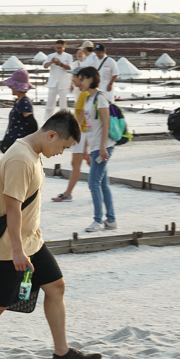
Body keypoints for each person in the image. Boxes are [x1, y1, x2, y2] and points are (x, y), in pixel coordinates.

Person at [0, 111, 101, 359]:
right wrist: (18, 251)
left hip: (30, 241)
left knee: (56, 286)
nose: (61, 152)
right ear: (51, 135)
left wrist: (28, 243)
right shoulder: (22, 158)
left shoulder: (31, 151)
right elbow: (12, 207)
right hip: (8, 248)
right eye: (63, 146)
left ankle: (62, 352)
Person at [78, 67, 117, 232]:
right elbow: (89, 126)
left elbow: (106, 123)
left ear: (91, 79)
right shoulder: (88, 99)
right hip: (94, 146)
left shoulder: (101, 98)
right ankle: (111, 221)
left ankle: (97, 221)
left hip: (103, 146)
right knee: (103, 184)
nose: (80, 83)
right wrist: (86, 147)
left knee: (93, 182)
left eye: (82, 79)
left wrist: (102, 147)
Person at [52, 72, 89, 202]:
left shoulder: (84, 94)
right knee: (83, 162)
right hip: (84, 132)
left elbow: (81, 117)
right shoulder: (83, 93)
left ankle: (68, 193)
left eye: (74, 77)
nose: (72, 80)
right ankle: (100, 186)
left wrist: (74, 135)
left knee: (77, 163)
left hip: (83, 132)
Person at [2, 69, 38, 151]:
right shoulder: (18, 101)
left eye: (12, 86)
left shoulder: (24, 103)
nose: (11, 88)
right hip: (15, 141)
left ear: (17, 87)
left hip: (21, 143)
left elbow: (32, 124)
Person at [42, 40, 74, 120]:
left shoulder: (68, 56)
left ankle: (64, 121)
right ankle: (47, 121)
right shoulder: (51, 56)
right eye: (57, 48)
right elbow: (45, 66)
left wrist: (61, 64)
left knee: (63, 105)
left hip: (63, 83)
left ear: (64, 47)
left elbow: (70, 68)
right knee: (50, 104)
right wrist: (51, 62)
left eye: (60, 48)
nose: (58, 49)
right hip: (53, 82)